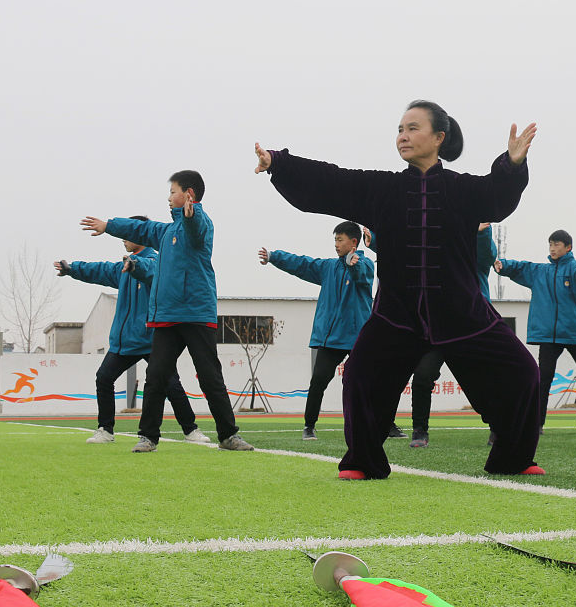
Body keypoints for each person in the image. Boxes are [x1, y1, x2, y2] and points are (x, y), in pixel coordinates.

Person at [255, 99, 545, 479]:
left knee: (524, 373)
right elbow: (332, 181)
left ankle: (512, 457)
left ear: (439, 137)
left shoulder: (463, 190)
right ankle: (363, 461)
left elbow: (498, 195)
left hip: (462, 313)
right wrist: (280, 162)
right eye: (399, 129)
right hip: (397, 315)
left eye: (412, 128)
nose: (403, 136)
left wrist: (512, 164)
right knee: (359, 374)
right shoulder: (383, 189)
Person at [80, 171, 253, 453]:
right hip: (166, 317)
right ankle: (148, 436)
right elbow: (140, 230)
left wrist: (192, 213)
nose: (168, 197)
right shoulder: (165, 231)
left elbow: (195, 227)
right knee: (156, 378)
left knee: (210, 377)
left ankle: (228, 435)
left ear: (189, 194)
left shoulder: (200, 223)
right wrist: (108, 225)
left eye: (172, 191)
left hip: (196, 314)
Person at [55, 216, 211, 445]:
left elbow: (149, 269)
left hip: (151, 340)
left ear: (140, 236)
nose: (123, 239)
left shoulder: (158, 261)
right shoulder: (124, 266)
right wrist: (72, 269)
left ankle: (191, 430)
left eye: (128, 234)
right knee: (104, 378)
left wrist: (135, 265)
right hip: (125, 341)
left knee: (171, 385)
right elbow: (100, 270)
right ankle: (105, 430)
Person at [363, 223, 494, 447]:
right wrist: (375, 239)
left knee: (479, 379)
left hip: (468, 326)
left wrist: (482, 232)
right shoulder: (438, 241)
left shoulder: (472, 248)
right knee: (423, 375)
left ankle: (497, 424)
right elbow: (408, 250)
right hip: (435, 324)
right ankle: (420, 431)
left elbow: (486, 256)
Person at [258, 221, 374, 440]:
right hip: (332, 339)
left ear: (353, 242)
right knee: (318, 380)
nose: (336, 245)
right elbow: (301, 264)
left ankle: (386, 425)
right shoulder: (328, 267)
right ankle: (309, 426)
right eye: (335, 240)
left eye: (340, 240)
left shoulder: (365, 264)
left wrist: (354, 263)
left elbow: (361, 274)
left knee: (367, 382)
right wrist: (274, 256)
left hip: (358, 337)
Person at [495, 229, 576, 433]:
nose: (553, 248)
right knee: (543, 379)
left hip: (574, 333)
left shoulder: (574, 269)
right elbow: (521, 268)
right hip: (549, 336)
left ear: (568, 248)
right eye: (550, 244)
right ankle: (536, 424)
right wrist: (503, 266)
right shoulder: (541, 272)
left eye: (557, 244)